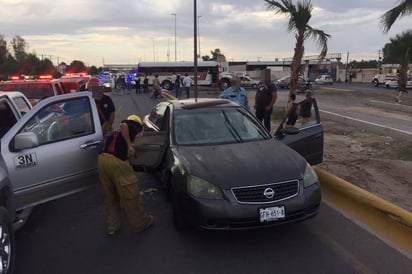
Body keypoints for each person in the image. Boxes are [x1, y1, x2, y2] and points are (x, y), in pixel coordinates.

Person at [98, 115, 154, 235]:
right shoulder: (131, 126)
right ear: (138, 126)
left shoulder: (115, 134)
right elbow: (124, 126)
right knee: (131, 195)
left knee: (111, 197)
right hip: (116, 162)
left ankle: (112, 227)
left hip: (102, 161)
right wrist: (129, 146)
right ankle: (140, 224)